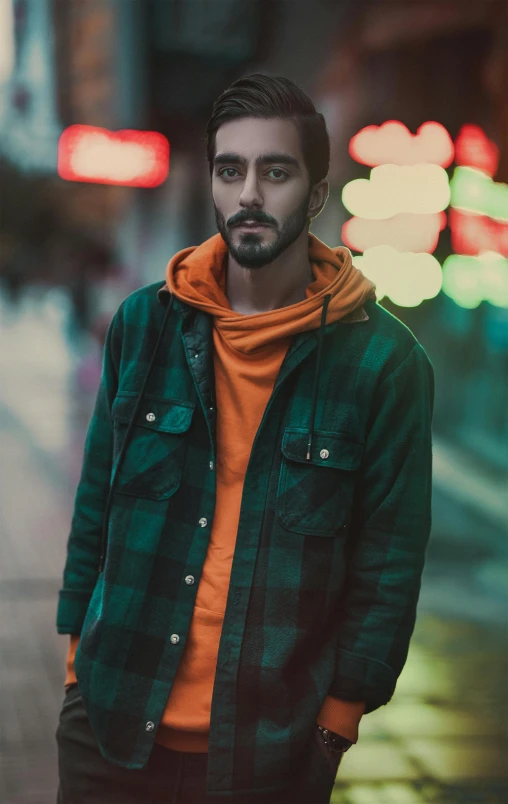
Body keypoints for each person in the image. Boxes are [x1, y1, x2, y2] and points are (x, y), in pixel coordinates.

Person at [55, 73, 434, 804]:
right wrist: (78, 659)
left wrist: (338, 722)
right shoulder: (145, 326)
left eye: (276, 171)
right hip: (111, 725)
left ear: (316, 194)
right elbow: (96, 502)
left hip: (271, 753)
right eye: (231, 170)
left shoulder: (384, 365)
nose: (249, 194)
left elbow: (389, 564)